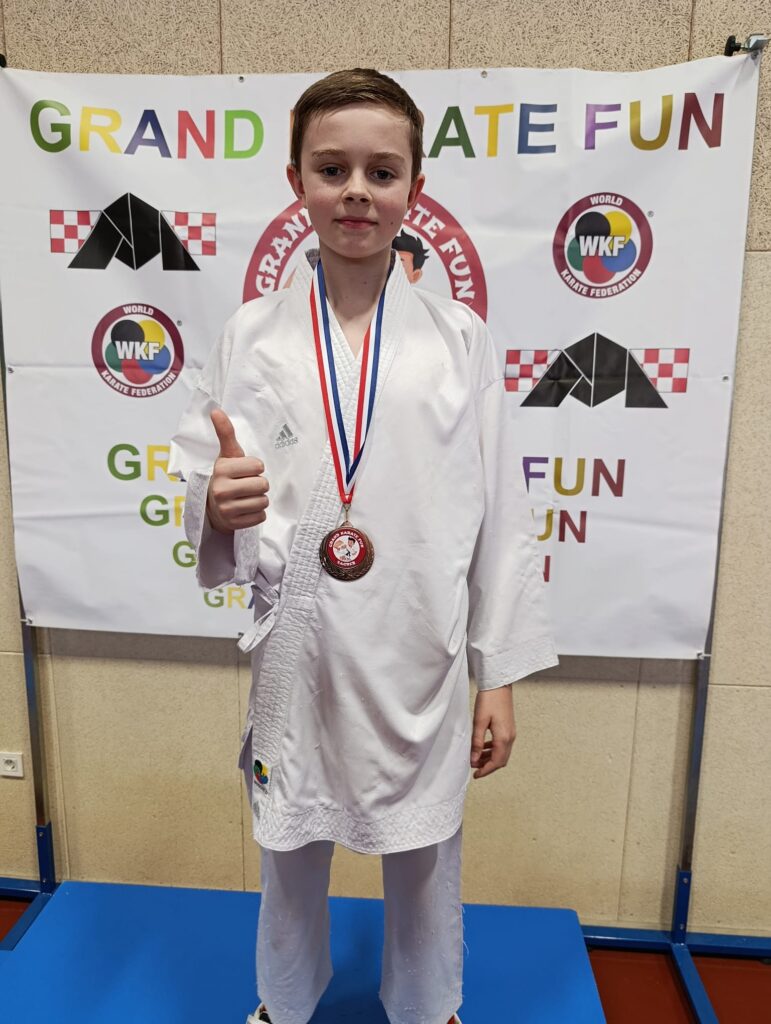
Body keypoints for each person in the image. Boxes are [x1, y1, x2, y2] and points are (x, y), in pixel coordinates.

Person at [168, 67, 558, 1024]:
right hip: (299, 640)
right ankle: (281, 1001)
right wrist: (214, 506)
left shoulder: (459, 339)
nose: (356, 191)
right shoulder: (252, 336)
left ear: (414, 188)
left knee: (424, 852)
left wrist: (498, 675)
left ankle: (429, 1006)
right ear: (295, 181)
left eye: (382, 171)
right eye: (331, 168)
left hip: (416, 641)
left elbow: (499, 513)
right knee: (288, 846)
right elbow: (204, 472)